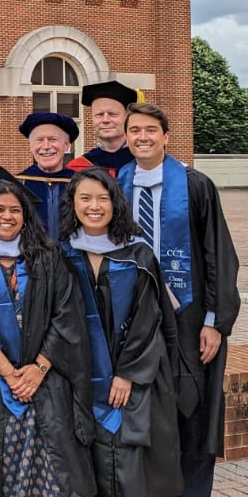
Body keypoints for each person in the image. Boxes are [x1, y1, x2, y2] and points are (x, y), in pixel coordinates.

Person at [117, 103, 240, 497]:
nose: (142, 137)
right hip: (136, 318)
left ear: (166, 136)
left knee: (192, 406)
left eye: (151, 130)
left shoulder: (194, 184)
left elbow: (217, 253)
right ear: (127, 137)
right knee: (147, 410)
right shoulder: (117, 186)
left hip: (187, 316)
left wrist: (214, 321)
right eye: (134, 130)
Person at [0, 167, 96, 496]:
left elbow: (67, 314)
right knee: (2, 466)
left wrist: (39, 368)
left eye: (15, 210)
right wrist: (9, 374)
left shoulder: (47, 256)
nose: (7, 216)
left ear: (25, 216)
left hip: (47, 378)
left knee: (56, 465)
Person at [59, 167, 181, 496]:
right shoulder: (61, 254)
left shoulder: (137, 253)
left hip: (134, 377)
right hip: (81, 374)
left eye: (103, 198)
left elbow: (149, 318)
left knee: (131, 461)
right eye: (85, 198)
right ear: (73, 203)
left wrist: (127, 373)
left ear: (116, 204)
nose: (94, 206)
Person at [15, 112, 79, 239]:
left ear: (67, 145)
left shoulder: (80, 183)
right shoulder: (18, 184)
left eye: (53, 139)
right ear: (31, 147)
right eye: (39, 140)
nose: (46, 146)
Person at [66, 81, 142, 174]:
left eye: (112, 114)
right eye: (99, 115)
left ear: (127, 117)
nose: (105, 120)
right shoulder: (78, 168)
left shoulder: (145, 162)